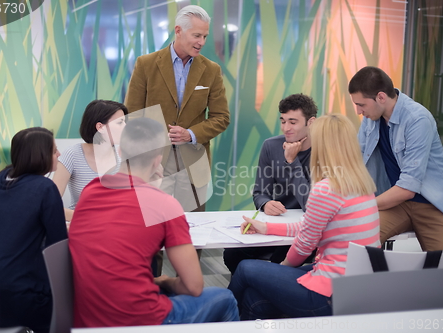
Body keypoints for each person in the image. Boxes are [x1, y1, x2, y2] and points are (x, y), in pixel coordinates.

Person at [69, 117, 238, 327]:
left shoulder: (90, 190)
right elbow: (194, 287)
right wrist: (166, 281)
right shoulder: (165, 205)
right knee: (225, 298)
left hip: (87, 320)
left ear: (120, 152)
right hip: (140, 321)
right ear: (158, 161)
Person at [228, 114, 380, 320]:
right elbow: (310, 225)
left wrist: (280, 270)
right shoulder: (362, 185)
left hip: (329, 295)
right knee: (253, 300)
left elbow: (304, 246)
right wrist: (266, 227)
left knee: (246, 268)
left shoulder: (326, 188)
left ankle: (218, 322)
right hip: (356, 290)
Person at [349, 66, 443, 306]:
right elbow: (357, 162)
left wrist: (362, 203)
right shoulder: (372, 120)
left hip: (433, 205)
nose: (359, 112)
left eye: (361, 105)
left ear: (381, 97)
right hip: (395, 202)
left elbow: (408, 187)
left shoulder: (418, 119)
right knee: (352, 240)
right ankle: (361, 307)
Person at [124, 5, 230, 212]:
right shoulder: (146, 64)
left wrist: (190, 134)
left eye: (205, 36)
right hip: (152, 160)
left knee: (192, 230)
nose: (202, 42)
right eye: (197, 35)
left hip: (194, 162)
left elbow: (221, 117)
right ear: (179, 31)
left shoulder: (212, 70)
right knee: (151, 225)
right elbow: (133, 115)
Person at [0, 127, 68, 332]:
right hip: (23, 298)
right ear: (41, 155)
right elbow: (58, 247)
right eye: (54, 150)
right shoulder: (45, 188)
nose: (59, 154)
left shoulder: (3, 179)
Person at [223, 93, 317, 275]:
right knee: (232, 254)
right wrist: (266, 203)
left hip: (306, 229)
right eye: (283, 121)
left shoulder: (324, 150)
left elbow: (310, 205)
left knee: (278, 262)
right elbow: (259, 192)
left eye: (293, 122)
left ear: (311, 122)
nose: (285, 128)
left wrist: (292, 161)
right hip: (277, 222)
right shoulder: (271, 146)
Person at [52, 100, 128, 221]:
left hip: (116, 227)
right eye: (120, 122)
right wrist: (89, 219)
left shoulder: (123, 156)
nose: (126, 127)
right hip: (81, 226)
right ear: (100, 127)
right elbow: (50, 205)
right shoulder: (72, 155)